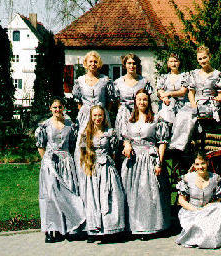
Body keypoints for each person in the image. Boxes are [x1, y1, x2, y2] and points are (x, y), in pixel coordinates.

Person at [120, 89, 171, 238]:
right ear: (135, 102)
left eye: (145, 100)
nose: (142, 102)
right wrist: (127, 144)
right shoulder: (129, 120)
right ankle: (132, 226)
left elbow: (162, 143)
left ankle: (149, 226)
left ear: (148, 102)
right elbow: (126, 137)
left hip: (149, 158)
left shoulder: (156, 119)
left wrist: (160, 162)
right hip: (133, 160)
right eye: (139, 99)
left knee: (147, 193)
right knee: (131, 193)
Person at [35, 99, 85, 243]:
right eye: (54, 107)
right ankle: (51, 230)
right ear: (50, 108)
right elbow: (41, 146)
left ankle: (69, 228)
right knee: (51, 196)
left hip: (66, 162)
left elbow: (72, 144)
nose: (57, 110)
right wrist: (46, 162)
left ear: (63, 108)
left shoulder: (70, 125)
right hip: (51, 164)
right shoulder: (45, 126)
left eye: (60, 107)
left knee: (67, 194)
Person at [79, 105, 125, 243]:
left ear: (104, 116)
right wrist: (87, 165)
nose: (97, 118)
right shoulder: (86, 133)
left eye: (100, 115)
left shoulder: (110, 132)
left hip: (107, 167)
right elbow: (83, 152)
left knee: (110, 197)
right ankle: (94, 230)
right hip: (92, 168)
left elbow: (114, 151)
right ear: (91, 117)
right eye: (95, 115)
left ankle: (110, 229)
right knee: (93, 198)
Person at [72, 51, 115, 193]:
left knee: (103, 144)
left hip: (101, 115)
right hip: (85, 117)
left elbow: (109, 101)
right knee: (83, 145)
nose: (93, 64)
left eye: (95, 61)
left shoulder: (105, 80)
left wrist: (103, 113)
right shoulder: (80, 80)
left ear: (99, 64)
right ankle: (85, 182)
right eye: (90, 61)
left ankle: (104, 179)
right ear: (85, 63)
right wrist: (85, 113)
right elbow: (78, 102)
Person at [176, 152, 221, 248]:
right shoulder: (187, 178)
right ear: (194, 165)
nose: (200, 167)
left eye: (203, 163)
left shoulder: (215, 178)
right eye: (197, 164)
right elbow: (181, 200)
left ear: (207, 163)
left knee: (220, 207)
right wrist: (196, 210)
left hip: (208, 211)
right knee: (199, 227)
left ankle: (211, 237)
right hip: (192, 211)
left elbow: (218, 199)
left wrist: (206, 208)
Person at [157, 53, 196, 151]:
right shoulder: (163, 77)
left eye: (176, 61)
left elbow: (183, 91)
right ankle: (164, 140)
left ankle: (178, 145)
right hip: (167, 104)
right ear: (168, 64)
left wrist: (169, 93)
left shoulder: (185, 76)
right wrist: (164, 97)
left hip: (182, 105)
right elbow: (160, 91)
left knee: (184, 118)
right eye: (171, 61)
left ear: (179, 63)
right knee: (164, 115)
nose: (173, 64)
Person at [114, 53, 153, 141]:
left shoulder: (144, 81)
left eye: (134, 63)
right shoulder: (118, 82)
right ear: (125, 65)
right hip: (124, 114)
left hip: (140, 114)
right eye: (129, 63)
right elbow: (117, 102)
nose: (132, 66)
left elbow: (148, 101)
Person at [188, 45, 221, 122]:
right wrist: (193, 104)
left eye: (205, 57)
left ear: (209, 56)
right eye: (200, 59)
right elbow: (191, 93)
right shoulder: (194, 74)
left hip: (209, 104)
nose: (203, 61)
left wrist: (219, 98)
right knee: (184, 115)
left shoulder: (217, 75)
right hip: (196, 103)